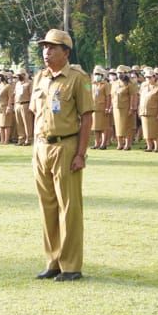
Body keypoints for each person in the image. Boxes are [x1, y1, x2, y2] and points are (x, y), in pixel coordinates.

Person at [29, 29, 93, 282]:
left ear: (66, 52)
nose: (47, 52)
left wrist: (81, 154)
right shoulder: (40, 78)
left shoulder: (78, 78)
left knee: (69, 207)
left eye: (53, 47)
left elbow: (87, 117)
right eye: (45, 47)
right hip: (42, 147)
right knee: (48, 207)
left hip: (66, 147)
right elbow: (36, 113)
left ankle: (71, 265)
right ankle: (53, 260)